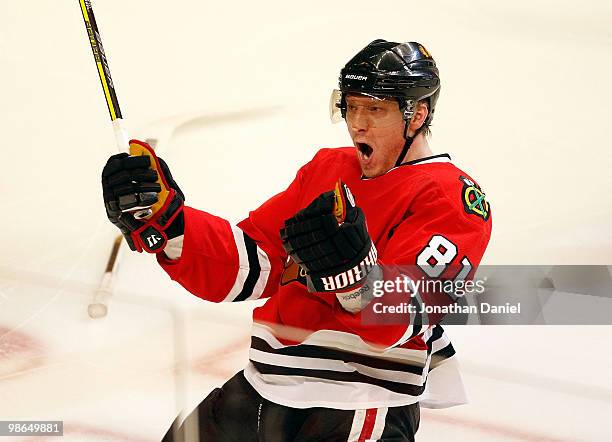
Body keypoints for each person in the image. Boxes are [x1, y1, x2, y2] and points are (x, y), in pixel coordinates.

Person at [101, 39, 492, 441]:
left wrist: (357, 279)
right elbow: (251, 265)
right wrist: (168, 223)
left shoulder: (452, 196)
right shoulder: (327, 168)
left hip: (363, 396)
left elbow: (401, 317)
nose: (358, 123)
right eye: (352, 106)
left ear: (417, 114)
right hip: (265, 385)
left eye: (375, 109)